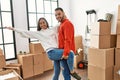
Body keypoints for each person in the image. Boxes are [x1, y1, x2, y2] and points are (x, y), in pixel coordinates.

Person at [5, 17, 81, 80]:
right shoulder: (39, 33)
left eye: (43, 22)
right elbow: (27, 32)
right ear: (39, 25)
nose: (42, 24)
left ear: (46, 23)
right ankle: (72, 71)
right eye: (40, 23)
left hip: (57, 51)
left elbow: (61, 22)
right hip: (51, 52)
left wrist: (65, 16)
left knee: (57, 72)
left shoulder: (52, 29)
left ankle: (69, 72)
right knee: (70, 53)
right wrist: (14, 29)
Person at [54, 7, 81, 80]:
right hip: (63, 51)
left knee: (65, 73)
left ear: (63, 13)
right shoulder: (62, 24)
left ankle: (72, 72)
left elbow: (67, 40)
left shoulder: (67, 24)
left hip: (66, 53)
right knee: (65, 72)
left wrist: (65, 53)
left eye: (59, 14)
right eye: (55, 15)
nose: (57, 16)